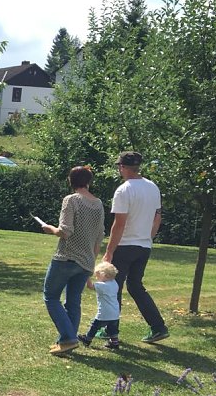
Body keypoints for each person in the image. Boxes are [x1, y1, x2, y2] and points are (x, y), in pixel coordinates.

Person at [102, 151, 169, 343]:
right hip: (144, 246)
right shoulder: (153, 187)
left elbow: (119, 224)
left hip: (125, 245)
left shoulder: (124, 190)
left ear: (123, 167)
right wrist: (149, 237)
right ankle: (158, 327)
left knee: (115, 287)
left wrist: (109, 250)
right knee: (136, 286)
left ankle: (110, 330)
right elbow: (157, 216)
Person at [40, 165, 105, 356]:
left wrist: (49, 228)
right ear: (89, 181)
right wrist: (92, 261)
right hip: (86, 261)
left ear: (70, 180)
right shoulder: (98, 203)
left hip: (66, 258)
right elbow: (99, 235)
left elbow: (65, 231)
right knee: (73, 302)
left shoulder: (71, 200)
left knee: (51, 297)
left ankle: (68, 338)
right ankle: (67, 342)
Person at [78, 261, 121, 350]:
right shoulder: (114, 283)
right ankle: (115, 342)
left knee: (95, 326)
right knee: (112, 328)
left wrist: (87, 276)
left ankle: (87, 339)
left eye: (98, 275)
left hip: (104, 312)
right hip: (115, 312)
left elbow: (90, 286)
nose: (96, 277)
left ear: (106, 276)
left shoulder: (102, 285)